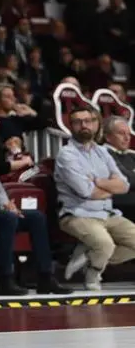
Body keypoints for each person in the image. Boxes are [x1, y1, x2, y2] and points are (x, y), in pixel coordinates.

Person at [0, 114, 69, 295]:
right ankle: (4, 278)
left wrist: (7, 203)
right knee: (8, 219)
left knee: (37, 218)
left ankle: (45, 276)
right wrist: (0, 207)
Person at [54, 106, 135, 291]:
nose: (84, 125)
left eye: (88, 121)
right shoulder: (67, 155)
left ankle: (89, 259)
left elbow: (124, 185)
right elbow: (85, 191)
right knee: (104, 244)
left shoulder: (102, 152)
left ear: (96, 124)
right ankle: (92, 275)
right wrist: (109, 187)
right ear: (71, 126)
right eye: (78, 122)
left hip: (107, 213)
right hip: (77, 214)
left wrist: (98, 181)